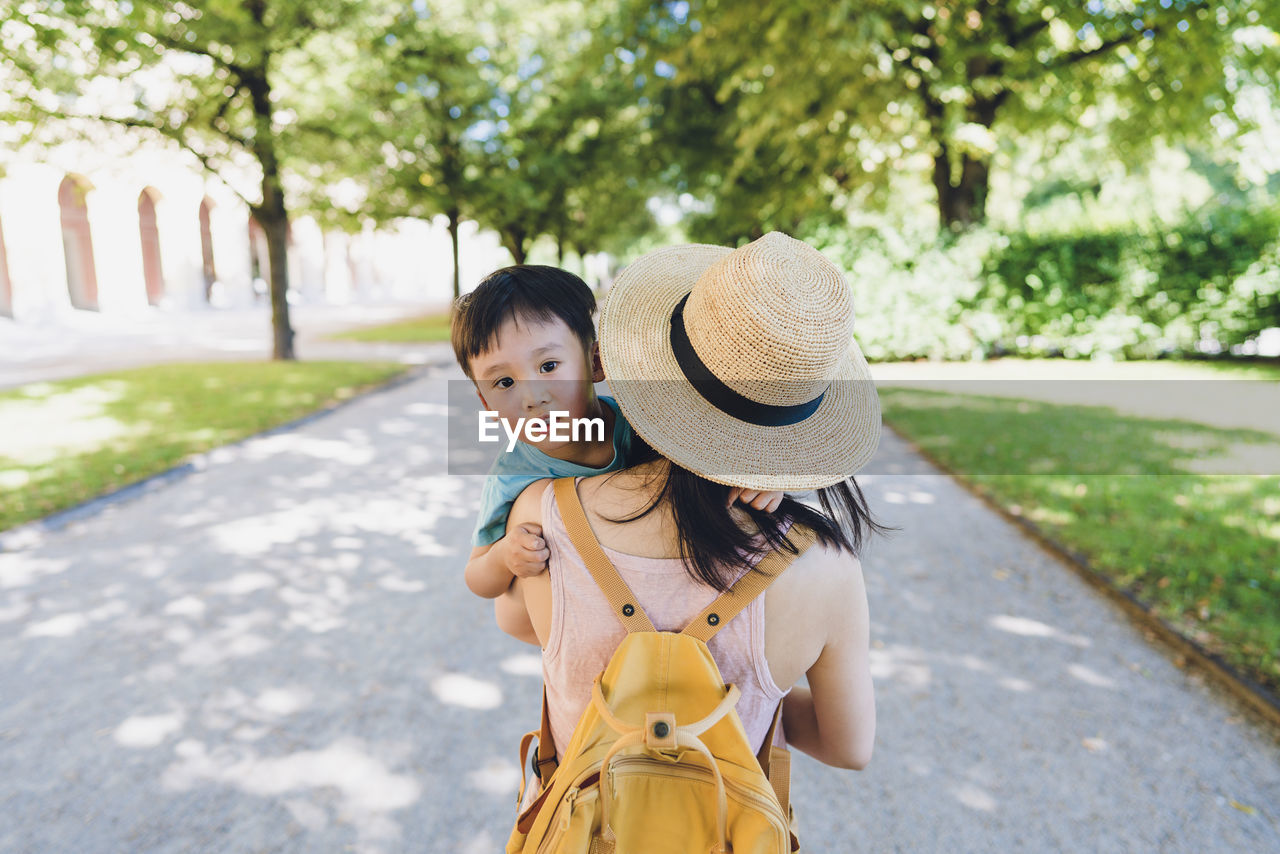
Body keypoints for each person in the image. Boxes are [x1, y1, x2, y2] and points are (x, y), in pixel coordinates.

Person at [495, 232, 885, 780]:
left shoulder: (542, 512)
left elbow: (514, 618)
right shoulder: (825, 567)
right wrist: (741, 696)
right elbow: (849, 746)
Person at [451, 265, 784, 604]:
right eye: (504, 383)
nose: (532, 398)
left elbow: (716, 453)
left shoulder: (646, 423)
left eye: (549, 366)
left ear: (596, 362)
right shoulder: (510, 477)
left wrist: (759, 480)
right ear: (486, 404)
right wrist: (505, 555)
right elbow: (477, 578)